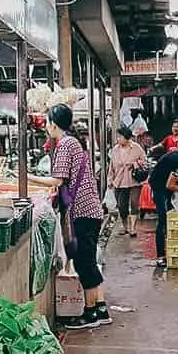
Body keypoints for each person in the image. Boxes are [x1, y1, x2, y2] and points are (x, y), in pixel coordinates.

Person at [48, 103, 110, 329]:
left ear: (53, 124)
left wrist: (24, 178)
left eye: (47, 123)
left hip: (83, 211)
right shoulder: (74, 142)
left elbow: (57, 180)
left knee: (85, 263)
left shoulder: (65, 143)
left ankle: (90, 313)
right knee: (89, 260)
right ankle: (101, 308)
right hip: (91, 209)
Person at [108, 125, 149, 236]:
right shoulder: (114, 150)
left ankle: (133, 228)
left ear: (127, 138)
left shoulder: (136, 148)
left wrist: (136, 164)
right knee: (122, 207)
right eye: (118, 137)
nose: (118, 139)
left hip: (134, 181)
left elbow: (145, 162)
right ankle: (126, 226)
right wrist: (110, 180)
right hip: (119, 182)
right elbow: (111, 167)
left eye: (120, 137)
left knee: (134, 204)